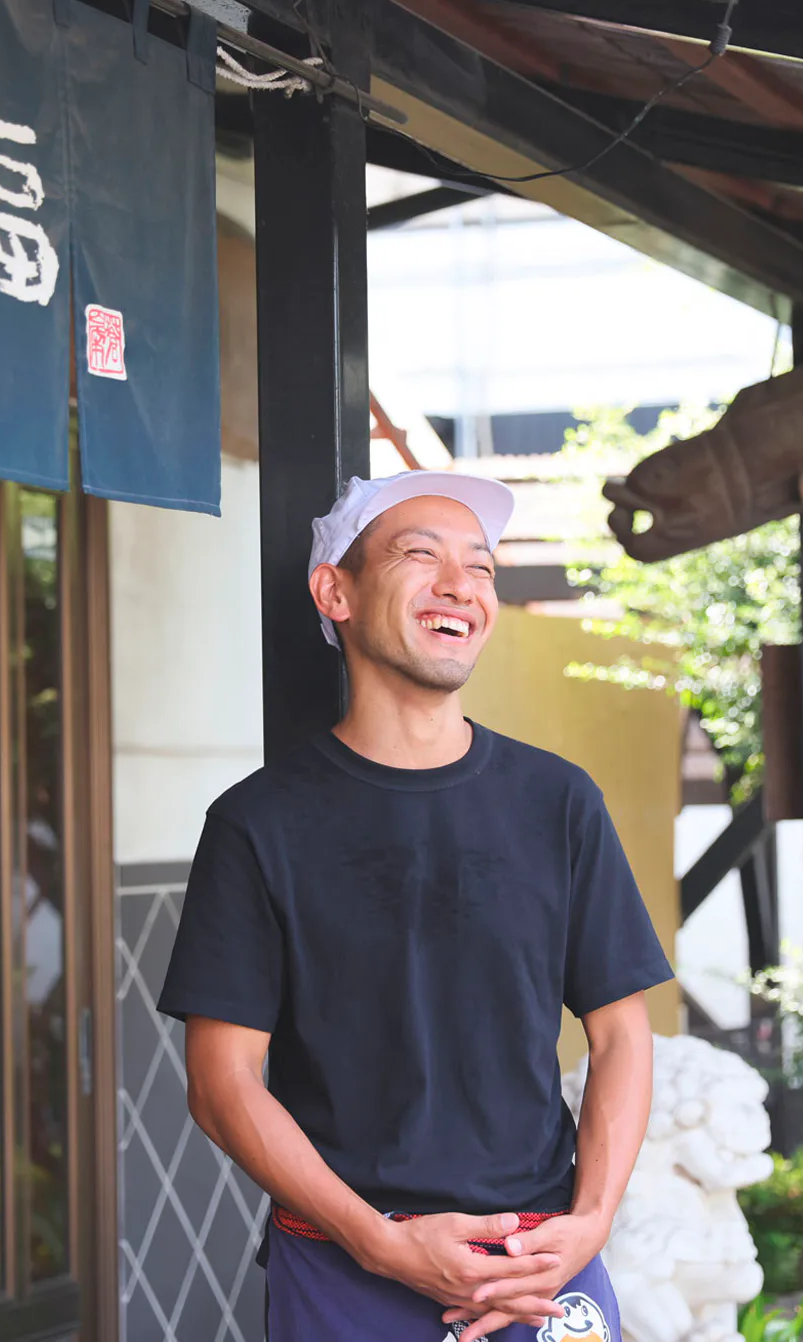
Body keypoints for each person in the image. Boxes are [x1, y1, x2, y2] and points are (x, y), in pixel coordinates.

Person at [157, 471, 675, 1340]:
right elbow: (222, 1084)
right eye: (419, 555)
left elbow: (622, 1032)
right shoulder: (258, 824)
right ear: (337, 591)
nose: (460, 585)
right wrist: (379, 1244)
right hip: (345, 1270)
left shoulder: (558, 801)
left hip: (540, 1266)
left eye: (481, 567)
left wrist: (590, 1221)